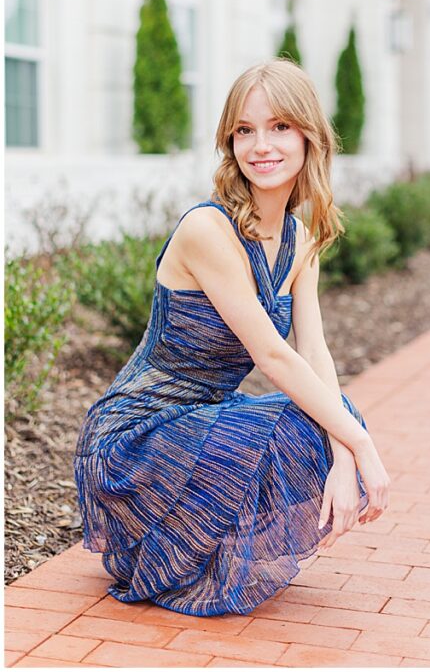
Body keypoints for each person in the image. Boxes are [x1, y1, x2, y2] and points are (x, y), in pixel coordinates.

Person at [74, 59, 391, 616]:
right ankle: (171, 548)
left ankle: (198, 547)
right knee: (303, 417)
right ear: (229, 143)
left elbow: (314, 352)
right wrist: (361, 445)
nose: (260, 146)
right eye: (244, 131)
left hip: (206, 423)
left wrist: (345, 447)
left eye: (279, 127)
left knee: (332, 411)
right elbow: (274, 355)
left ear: (309, 136)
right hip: (136, 436)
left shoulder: (300, 236)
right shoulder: (208, 229)